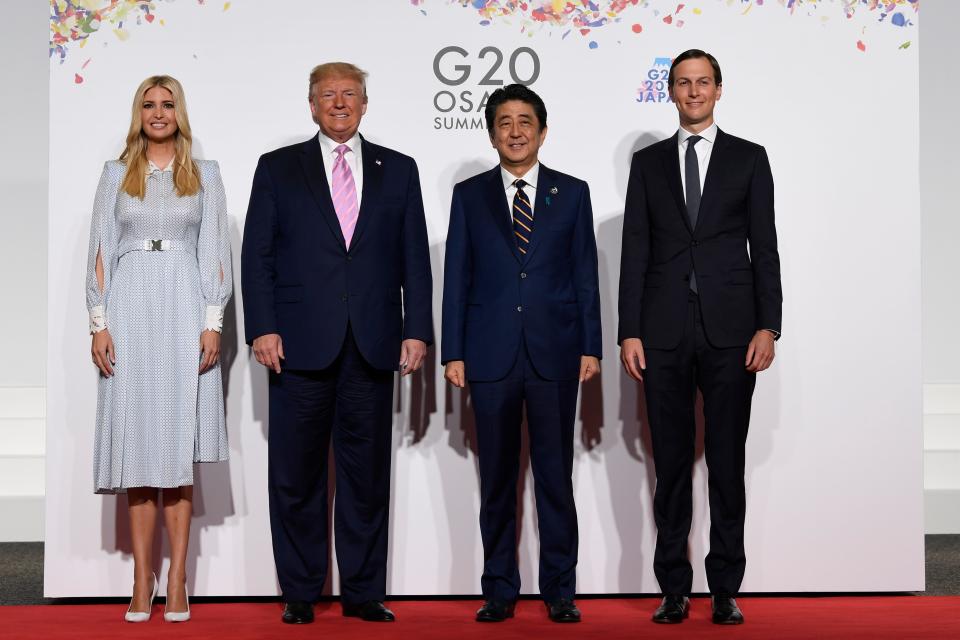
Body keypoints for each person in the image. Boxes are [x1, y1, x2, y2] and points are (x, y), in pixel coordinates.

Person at [241, 62, 432, 625]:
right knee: (296, 474)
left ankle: (363, 591)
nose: (340, 102)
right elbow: (259, 256)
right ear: (311, 105)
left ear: (366, 103)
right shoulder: (278, 168)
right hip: (298, 344)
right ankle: (299, 591)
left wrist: (416, 328)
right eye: (329, 94)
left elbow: (414, 259)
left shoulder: (399, 169)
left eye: (350, 94)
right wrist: (263, 327)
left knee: (365, 476)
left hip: (373, 344)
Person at [617, 49, 782, 625]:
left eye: (703, 82)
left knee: (727, 461)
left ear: (718, 89)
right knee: (671, 463)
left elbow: (764, 248)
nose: (693, 91)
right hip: (661, 331)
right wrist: (629, 329)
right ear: (670, 91)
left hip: (733, 331)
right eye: (683, 83)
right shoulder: (649, 162)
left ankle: (726, 588)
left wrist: (769, 324)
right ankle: (673, 588)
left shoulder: (749, 158)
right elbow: (634, 247)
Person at [441, 84, 601, 624]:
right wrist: (453, 351)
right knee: (497, 481)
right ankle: (499, 589)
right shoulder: (469, 195)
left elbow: (585, 276)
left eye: (525, 121)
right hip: (489, 356)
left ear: (542, 130)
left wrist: (590, 346)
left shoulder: (572, 193)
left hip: (556, 353)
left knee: (556, 478)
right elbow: (457, 277)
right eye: (504, 122)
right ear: (491, 133)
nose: (515, 131)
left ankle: (560, 589)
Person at [86, 75, 232, 623]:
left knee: (175, 450)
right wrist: (99, 321)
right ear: (137, 113)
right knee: (138, 451)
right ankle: (140, 577)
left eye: (167, 104)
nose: (158, 112)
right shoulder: (115, 174)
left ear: (180, 112)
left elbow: (214, 246)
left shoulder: (206, 175)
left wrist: (213, 319)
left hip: (184, 310)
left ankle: (178, 577)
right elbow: (102, 246)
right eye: (149, 104)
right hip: (129, 308)